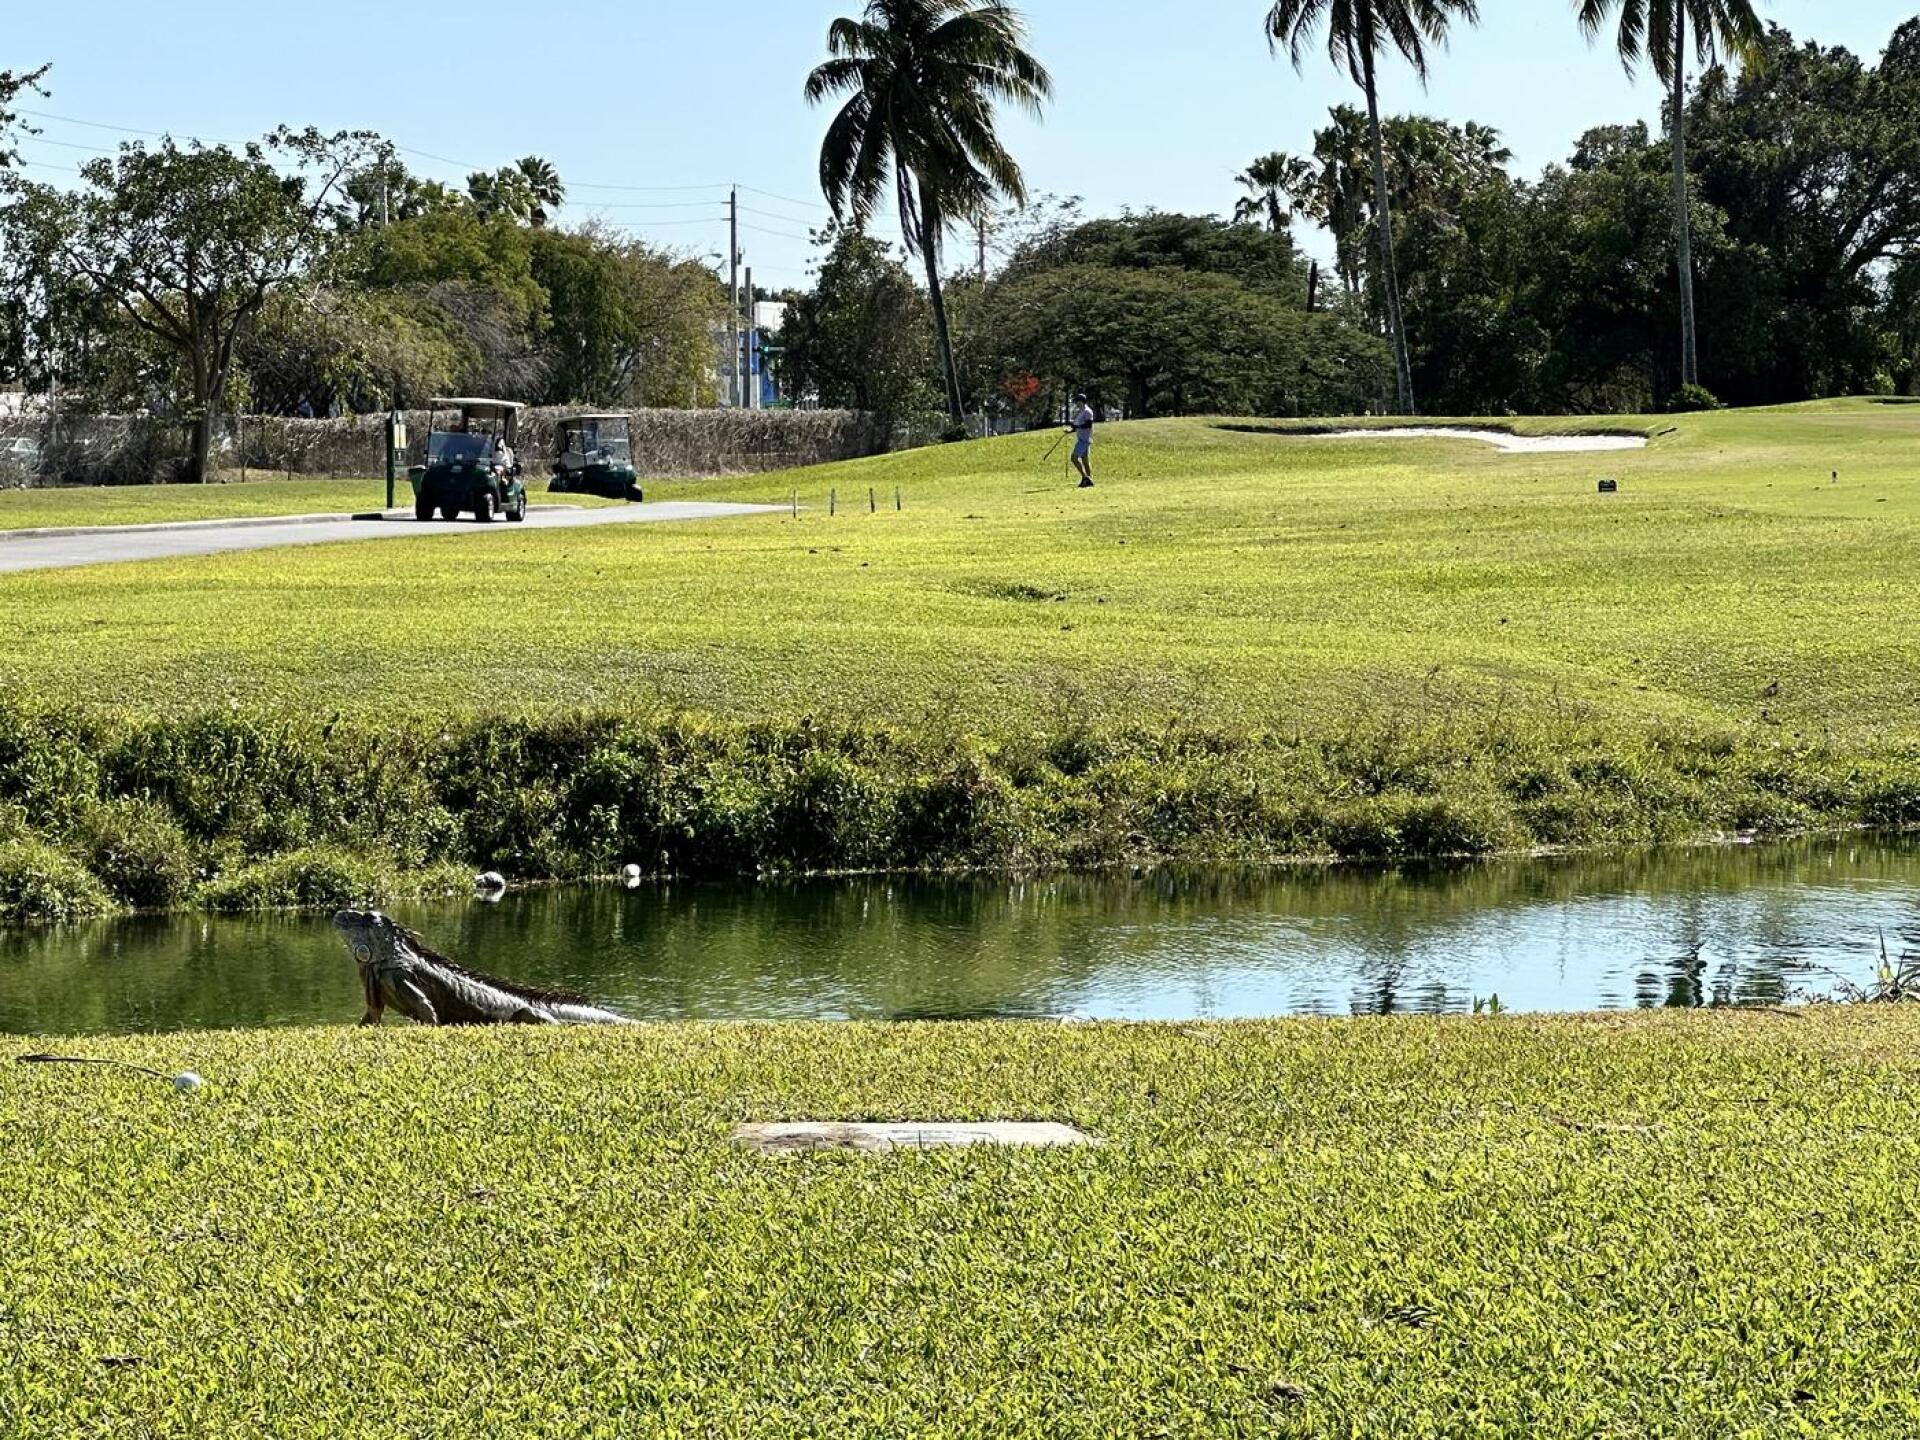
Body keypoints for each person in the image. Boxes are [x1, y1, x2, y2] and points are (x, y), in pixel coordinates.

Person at [1068, 392, 1095, 488]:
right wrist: (1071, 430)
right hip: (1082, 438)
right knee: (1085, 461)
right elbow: (1078, 426)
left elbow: (1088, 425)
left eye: (1077, 402)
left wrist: (1077, 426)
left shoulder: (1087, 411)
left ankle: (1085, 477)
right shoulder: (1081, 412)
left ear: (1081, 401)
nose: (1076, 404)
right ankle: (1089, 480)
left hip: (1084, 439)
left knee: (1074, 458)